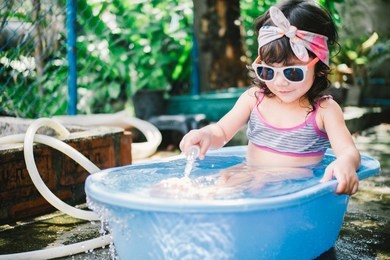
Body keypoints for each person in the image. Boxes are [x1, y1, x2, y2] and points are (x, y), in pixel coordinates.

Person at [179, 0, 361, 195]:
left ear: (318, 68)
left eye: (293, 73)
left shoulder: (325, 111)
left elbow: (349, 152)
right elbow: (221, 131)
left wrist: (344, 163)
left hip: (292, 190)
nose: (280, 82)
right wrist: (206, 134)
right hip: (248, 174)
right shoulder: (255, 98)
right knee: (196, 187)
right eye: (267, 71)